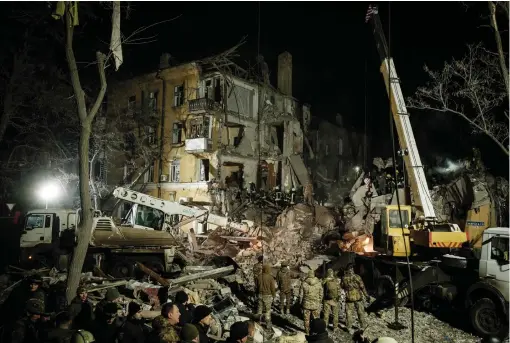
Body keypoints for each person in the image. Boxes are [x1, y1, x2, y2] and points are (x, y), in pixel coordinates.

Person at [342, 264, 368, 334]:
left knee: (349, 313)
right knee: (360, 313)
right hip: (358, 297)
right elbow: (362, 287)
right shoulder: (357, 277)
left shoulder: (344, 278)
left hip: (349, 298)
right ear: (352, 269)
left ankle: (349, 328)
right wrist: (366, 295)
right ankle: (362, 326)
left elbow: (342, 286)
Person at [299, 270, 323, 335]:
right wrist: (319, 301)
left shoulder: (304, 283)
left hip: (306, 304)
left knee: (306, 320)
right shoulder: (318, 283)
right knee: (316, 319)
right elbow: (321, 294)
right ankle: (316, 332)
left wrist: (301, 303)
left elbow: (301, 295)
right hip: (316, 304)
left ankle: (307, 332)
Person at [256, 264, 276, 330]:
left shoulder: (259, 277)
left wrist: (256, 294)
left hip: (260, 295)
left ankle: (258, 323)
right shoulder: (270, 277)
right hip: (267, 296)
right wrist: (274, 295)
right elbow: (272, 288)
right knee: (267, 311)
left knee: (259, 310)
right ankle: (268, 325)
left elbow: (256, 287)